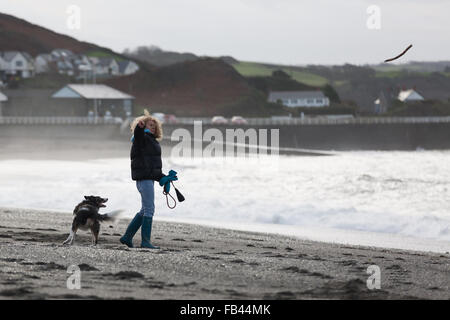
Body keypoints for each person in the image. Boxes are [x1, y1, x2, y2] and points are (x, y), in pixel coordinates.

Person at [120, 112, 172, 249]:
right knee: (149, 209)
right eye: (150, 125)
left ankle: (127, 237)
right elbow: (138, 135)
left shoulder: (152, 140)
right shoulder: (141, 138)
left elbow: (153, 166)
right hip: (144, 179)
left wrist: (163, 178)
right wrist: (140, 127)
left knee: (144, 210)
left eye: (155, 126)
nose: (153, 128)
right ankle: (145, 242)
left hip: (148, 178)